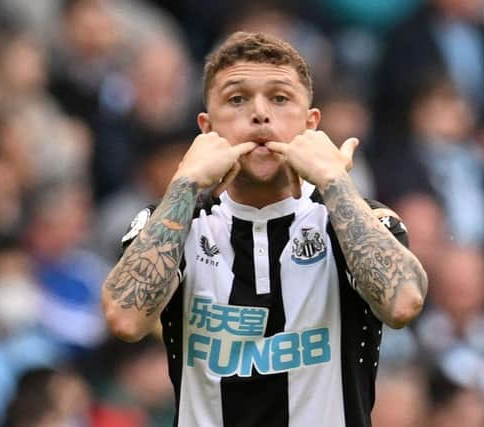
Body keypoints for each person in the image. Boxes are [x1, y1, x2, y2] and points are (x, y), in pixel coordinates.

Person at [101, 31, 428, 427]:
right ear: (206, 129)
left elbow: (404, 303)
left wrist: (335, 184)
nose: (259, 114)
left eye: (280, 98)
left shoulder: (355, 220)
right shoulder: (175, 221)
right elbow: (125, 319)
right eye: (237, 99)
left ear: (311, 125)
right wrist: (184, 185)